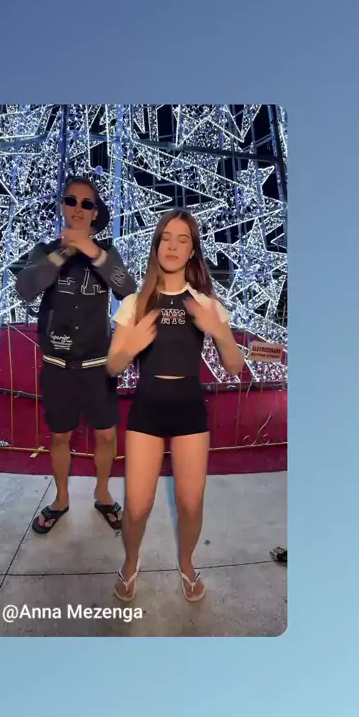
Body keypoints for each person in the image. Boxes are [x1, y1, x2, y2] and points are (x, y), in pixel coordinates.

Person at [106, 209, 243, 601]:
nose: (173, 246)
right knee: (136, 507)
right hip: (147, 410)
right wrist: (131, 346)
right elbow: (113, 366)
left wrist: (218, 331)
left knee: (190, 503)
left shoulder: (206, 303)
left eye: (183, 239)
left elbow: (235, 366)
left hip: (190, 411)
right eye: (166, 237)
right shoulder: (136, 302)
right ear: (156, 245)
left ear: (192, 251)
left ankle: (186, 563)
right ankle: (130, 562)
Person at [15, 176, 136, 534]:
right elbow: (25, 288)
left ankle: (103, 493)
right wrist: (65, 252)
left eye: (87, 203)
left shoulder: (107, 252)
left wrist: (92, 251)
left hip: (98, 364)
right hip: (57, 364)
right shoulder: (45, 251)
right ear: (63, 206)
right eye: (71, 201)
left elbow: (128, 289)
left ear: (95, 212)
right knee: (60, 436)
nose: (78, 209)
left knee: (106, 434)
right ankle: (61, 499)